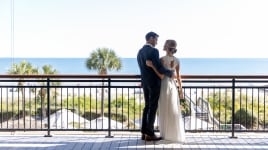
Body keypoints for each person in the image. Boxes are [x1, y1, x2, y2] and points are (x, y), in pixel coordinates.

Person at [137, 32, 174, 141]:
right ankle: (150, 134)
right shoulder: (153, 51)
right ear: (151, 38)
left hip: (145, 83)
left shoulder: (140, 52)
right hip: (154, 83)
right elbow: (159, 67)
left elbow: (142, 69)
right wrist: (170, 73)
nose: (157, 42)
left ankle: (144, 132)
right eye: (156, 39)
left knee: (147, 106)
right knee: (153, 107)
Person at [146, 39, 185, 142]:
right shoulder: (177, 60)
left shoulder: (162, 59)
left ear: (167, 47)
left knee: (164, 109)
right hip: (173, 86)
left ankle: (165, 134)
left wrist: (152, 66)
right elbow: (178, 77)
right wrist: (181, 90)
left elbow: (161, 75)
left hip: (163, 85)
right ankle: (174, 134)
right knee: (173, 109)